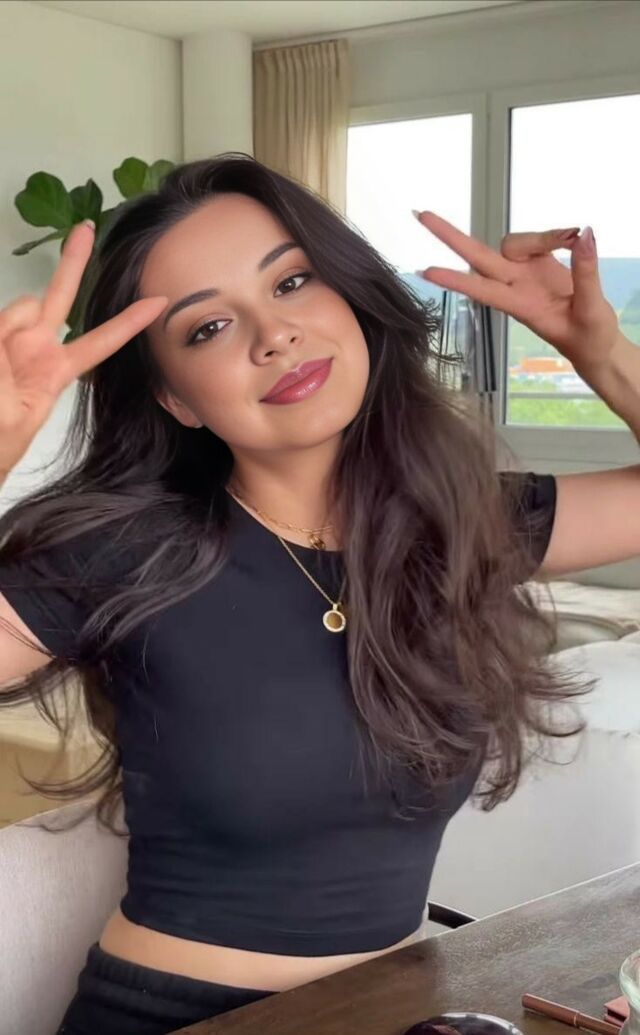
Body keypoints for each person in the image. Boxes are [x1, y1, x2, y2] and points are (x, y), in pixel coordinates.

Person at [0, 154, 638, 1035]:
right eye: (208, 328)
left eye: (292, 281)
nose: (274, 335)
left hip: (395, 1007)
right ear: (176, 399)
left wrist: (602, 351)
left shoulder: (460, 519)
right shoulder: (121, 552)